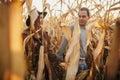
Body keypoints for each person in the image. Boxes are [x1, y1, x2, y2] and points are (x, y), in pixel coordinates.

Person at [56, 7, 90, 74]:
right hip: (74, 65)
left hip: (84, 63)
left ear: (88, 17)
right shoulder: (72, 27)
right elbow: (64, 43)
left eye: (83, 16)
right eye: (79, 16)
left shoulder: (87, 29)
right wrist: (58, 57)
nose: (81, 18)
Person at [22, 9, 48, 80]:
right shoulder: (24, 35)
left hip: (43, 69)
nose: (41, 20)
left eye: (42, 18)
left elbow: (48, 50)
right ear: (33, 19)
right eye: (39, 18)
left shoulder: (44, 34)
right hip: (30, 69)